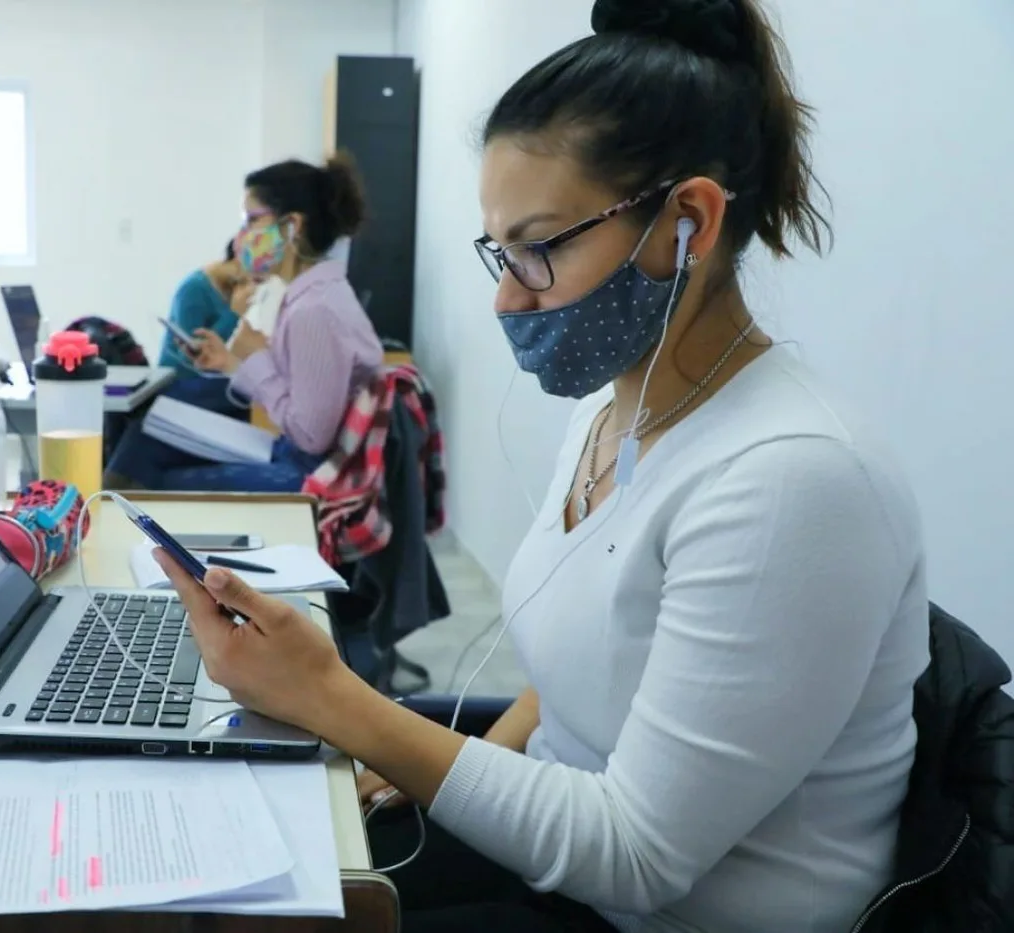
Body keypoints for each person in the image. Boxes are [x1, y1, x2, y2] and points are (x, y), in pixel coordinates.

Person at [151, 2, 929, 932]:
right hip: (563, 848)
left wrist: (336, 698)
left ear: (687, 220)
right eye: (499, 249)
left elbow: (637, 858)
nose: (507, 297)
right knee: (243, 871)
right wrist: (423, 759)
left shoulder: (796, 482)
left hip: (644, 909)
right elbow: (579, 679)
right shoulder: (616, 411)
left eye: (538, 249)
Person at [104, 153, 382, 492]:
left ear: (292, 226)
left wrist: (254, 358)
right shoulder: (310, 296)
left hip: (310, 471)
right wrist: (233, 362)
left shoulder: (314, 311)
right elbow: (293, 395)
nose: (241, 238)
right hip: (297, 454)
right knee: (146, 436)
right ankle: (103, 516)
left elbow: (310, 437)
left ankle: (102, 519)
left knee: (160, 481)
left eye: (252, 221)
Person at [157, 241, 248, 370]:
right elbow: (190, 357)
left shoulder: (239, 287)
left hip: (219, 373)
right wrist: (235, 312)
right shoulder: (194, 289)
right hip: (183, 378)